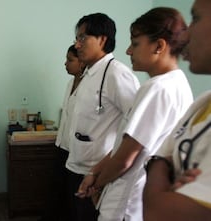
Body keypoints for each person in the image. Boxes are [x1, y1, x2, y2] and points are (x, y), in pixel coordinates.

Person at [77, 7, 193, 221]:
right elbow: (126, 145)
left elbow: (125, 158)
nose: (129, 51)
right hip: (142, 197)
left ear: (159, 46)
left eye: (135, 43)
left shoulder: (157, 89)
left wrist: (98, 184)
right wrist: (95, 172)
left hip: (126, 201)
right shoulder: (178, 84)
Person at [64, 13, 140, 221]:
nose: (77, 45)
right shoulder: (88, 73)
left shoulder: (117, 74)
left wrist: (101, 176)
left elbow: (135, 128)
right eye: (76, 39)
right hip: (77, 165)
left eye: (82, 38)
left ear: (102, 39)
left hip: (98, 174)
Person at [143, 0, 211, 220]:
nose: (183, 36)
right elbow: (160, 157)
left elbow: (158, 212)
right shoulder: (203, 102)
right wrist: (161, 168)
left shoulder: (160, 87)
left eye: (196, 18)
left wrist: (159, 172)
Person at [39, 44, 86, 221]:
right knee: (57, 189)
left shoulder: (88, 85)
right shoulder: (69, 83)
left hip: (76, 150)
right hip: (62, 146)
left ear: (82, 62)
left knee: (73, 195)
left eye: (70, 60)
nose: (65, 63)